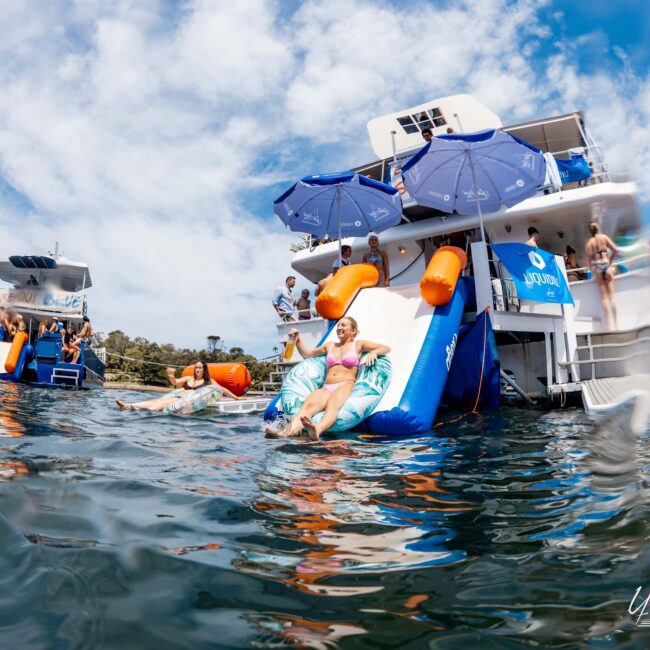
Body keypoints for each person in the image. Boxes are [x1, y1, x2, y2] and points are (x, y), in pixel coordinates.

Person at [265, 317, 390, 441]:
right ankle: (288, 432)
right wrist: (297, 340)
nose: (339, 328)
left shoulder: (358, 345)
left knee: (332, 406)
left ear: (353, 331)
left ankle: (317, 430)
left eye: (344, 325)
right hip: (326, 387)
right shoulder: (329, 346)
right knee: (307, 406)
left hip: (346, 384)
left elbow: (385, 348)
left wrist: (375, 352)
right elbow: (307, 354)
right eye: (338, 325)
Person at [116, 361, 243, 411]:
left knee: (159, 404)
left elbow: (222, 389)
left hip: (184, 401)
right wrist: (171, 375)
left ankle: (133, 407)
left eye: (200, 368)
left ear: (204, 370)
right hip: (178, 397)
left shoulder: (209, 382)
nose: (197, 370)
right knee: (157, 400)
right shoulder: (189, 378)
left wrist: (236, 398)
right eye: (196, 368)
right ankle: (130, 405)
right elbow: (175, 382)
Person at [585, 222, 619, 330]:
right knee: (612, 297)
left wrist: (592, 269)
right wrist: (610, 260)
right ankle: (616, 324)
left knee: (604, 299)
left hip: (598, 267)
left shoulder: (589, 243)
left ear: (589, 231)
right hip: (606, 264)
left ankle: (608, 326)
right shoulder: (604, 237)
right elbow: (616, 250)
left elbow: (589, 261)